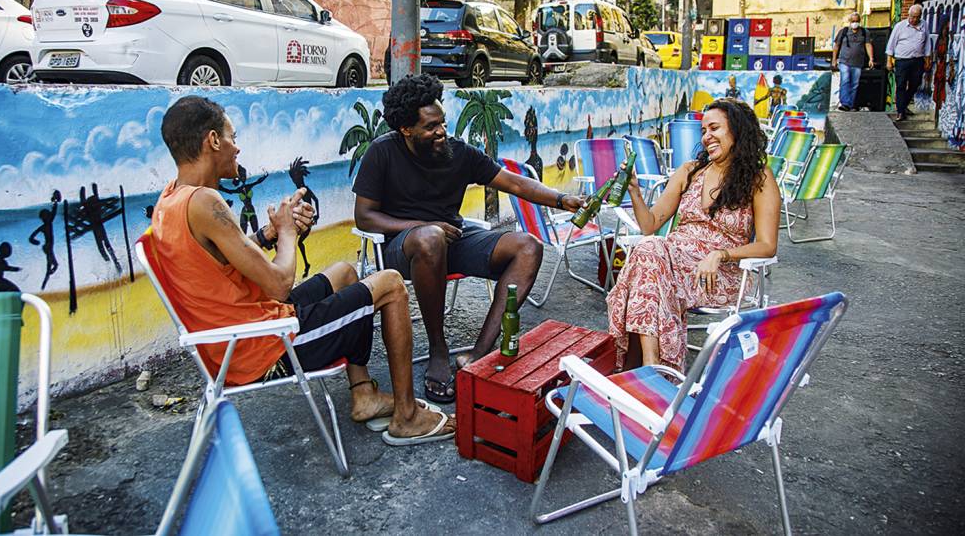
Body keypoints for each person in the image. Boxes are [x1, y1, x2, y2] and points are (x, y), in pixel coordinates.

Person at [152, 96, 454, 445]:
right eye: (232, 137)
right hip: (262, 348)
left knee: (344, 272)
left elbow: (220, 256)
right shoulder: (206, 202)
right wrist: (287, 233)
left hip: (242, 331)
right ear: (213, 140)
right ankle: (407, 415)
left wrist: (269, 233)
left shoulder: (172, 198)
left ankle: (364, 395)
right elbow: (280, 284)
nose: (237, 148)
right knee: (389, 283)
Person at [353, 74, 585, 403]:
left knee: (528, 246)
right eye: (431, 127)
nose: (441, 132)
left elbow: (515, 183)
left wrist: (562, 199)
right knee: (430, 238)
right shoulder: (382, 153)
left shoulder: (457, 152)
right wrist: (424, 224)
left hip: (453, 239)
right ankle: (437, 349)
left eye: (442, 122)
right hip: (402, 248)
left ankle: (479, 353)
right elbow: (365, 215)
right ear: (406, 129)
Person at [606, 98, 780, 372]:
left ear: (737, 130)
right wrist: (635, 192)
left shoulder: (759, 178)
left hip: (719, 274)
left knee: (649, 258)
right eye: (703, 130)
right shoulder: (690, 171)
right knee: (650, 249)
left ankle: (646, 369)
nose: (707, 136)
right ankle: (653, 368)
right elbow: (650, 224)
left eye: (715, 128)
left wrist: (720, 254)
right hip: (670, 264)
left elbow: (767, 246)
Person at [886, 4, 932, 122]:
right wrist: (889, 61)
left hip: (917, 60)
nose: (914, 19)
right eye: (912, 17)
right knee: (901, 85)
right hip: (902, 60)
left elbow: (927, 44)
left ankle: (903, 104)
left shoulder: (924, 25)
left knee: (915, 84)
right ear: (908, 15)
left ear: (920, 16)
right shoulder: (900, 26)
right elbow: (891, 44)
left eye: (917, 17)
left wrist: (927, 60)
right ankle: (901, 111)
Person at [831, 11, 875, 112]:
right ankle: (845, 103)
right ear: (850, 22)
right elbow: (836, 46)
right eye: (853, 21)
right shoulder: (844, 31)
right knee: (845, 81)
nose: (855, 23)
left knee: (855, 84)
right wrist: (834, 59)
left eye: (857, 21)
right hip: (844, 61)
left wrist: (871, 58)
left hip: (858, 63)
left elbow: (868, 45)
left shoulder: (864, 32)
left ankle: (850, 104)